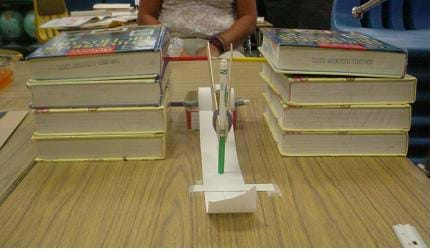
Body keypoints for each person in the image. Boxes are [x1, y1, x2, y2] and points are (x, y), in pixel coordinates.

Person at [138, 0, 257, 57]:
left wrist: (217, 45)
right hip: (168, 42)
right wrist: (172, 46)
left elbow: (249, 18)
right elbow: (145, 16)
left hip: (225, 45)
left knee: (228, 89)